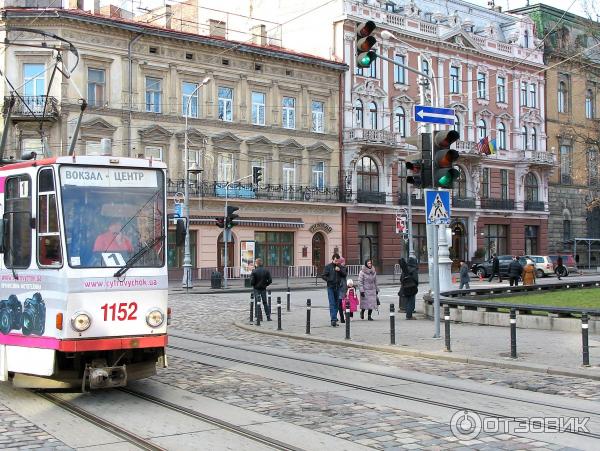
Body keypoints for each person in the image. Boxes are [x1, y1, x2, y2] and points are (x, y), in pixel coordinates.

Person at [321, 253, 347, 327]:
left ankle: (334, 319)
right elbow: (323, 275)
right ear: (332, 259)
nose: (336, 262)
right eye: (335, 261)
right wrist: (329, 280)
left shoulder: (340, 266)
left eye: (338, 261)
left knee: (337, 303)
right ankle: (333, 319)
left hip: (338, 287)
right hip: (330, 287)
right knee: (332, 303)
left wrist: (339, 271)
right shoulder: (328, 267)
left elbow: (344, 274)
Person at [337, 257, 348, 323]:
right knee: (338, 302)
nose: (344, 263)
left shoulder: (344, 268)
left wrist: (339, 270)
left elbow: (344, 274)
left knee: (341, 302)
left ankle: (342, 318)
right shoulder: (336, 267)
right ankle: (338, 317)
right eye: (343, 262)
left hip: (342, 286)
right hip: (338, 286)